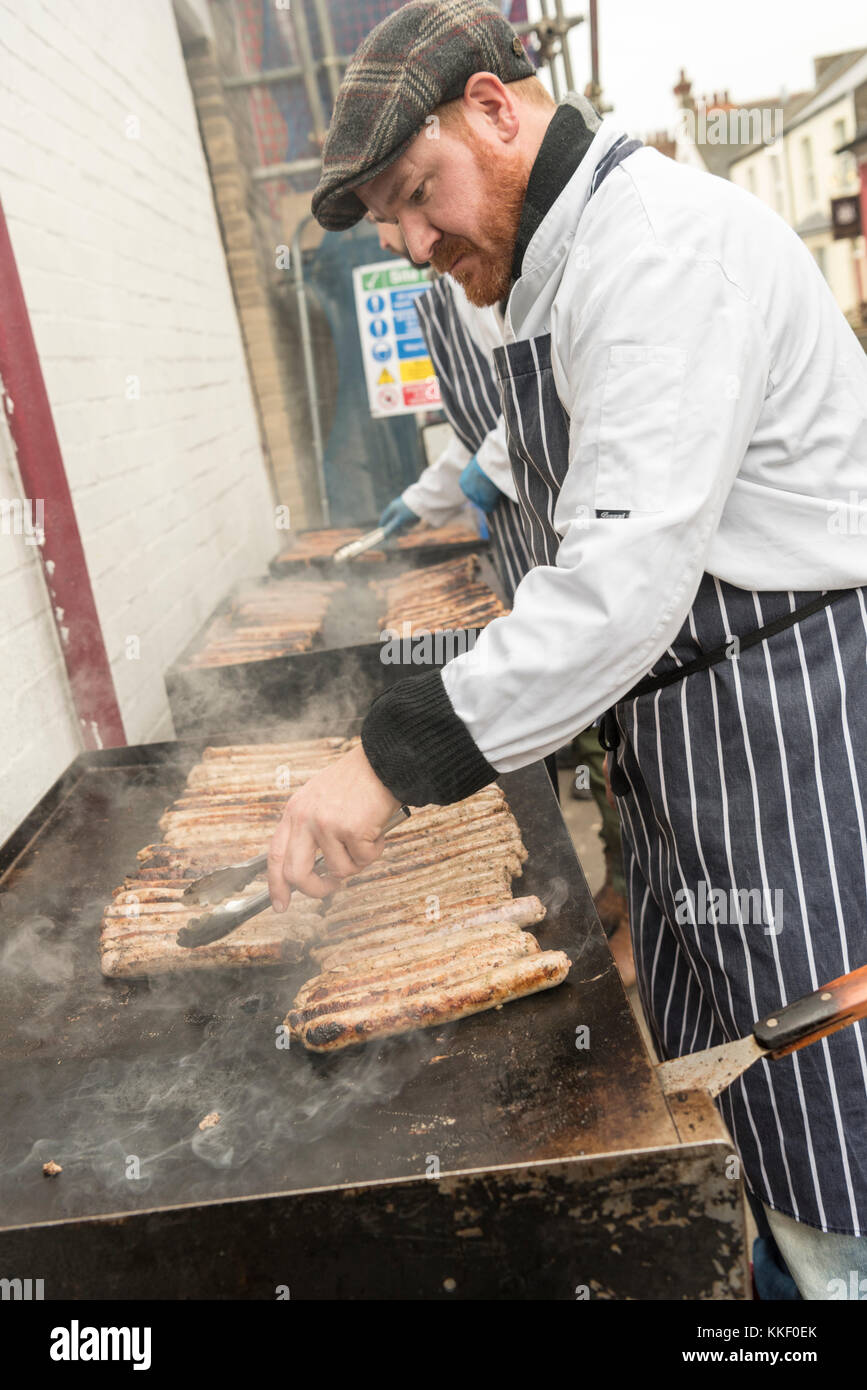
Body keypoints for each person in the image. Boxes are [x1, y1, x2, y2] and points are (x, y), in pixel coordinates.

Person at [269, 0, 867, 1296]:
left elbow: (613, 587)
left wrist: (387, 758)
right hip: (681, 743)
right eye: (390, 222)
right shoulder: (550, 265)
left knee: (827, 1114)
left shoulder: (650, 252)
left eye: (417, 195)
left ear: (494, 107)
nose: (415, 241)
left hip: (780, 739)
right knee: (729, 1088)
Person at [374, 215, 634, 975]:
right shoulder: (437, 297)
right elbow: (472, 427)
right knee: (575, 732)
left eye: (397, 212)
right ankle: (609, 896)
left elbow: (545, 397)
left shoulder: (499, 272)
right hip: (515, 542)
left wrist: (492, 465)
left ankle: (628, 902)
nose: (400, 243)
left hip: (559, 529)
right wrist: (425, 498)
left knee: (598, 732)